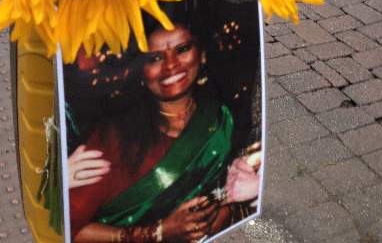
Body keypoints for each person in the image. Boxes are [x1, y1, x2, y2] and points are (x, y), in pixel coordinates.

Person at [68, 24, 260, 243]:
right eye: (155, 58)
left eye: (182, 49)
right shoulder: (111, 139)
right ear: (140, 70)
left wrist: (223, 213)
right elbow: (70, 231)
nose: (170, 65)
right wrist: (157, 232)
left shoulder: (220, 117)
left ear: (202, 54)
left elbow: (230, 193)